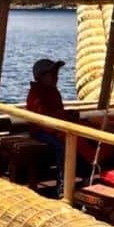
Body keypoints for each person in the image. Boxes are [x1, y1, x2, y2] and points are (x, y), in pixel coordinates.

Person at [26, 59, 104, 197]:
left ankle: (87, 171)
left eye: (56, 73)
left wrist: (69, 115)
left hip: (56, 128)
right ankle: (63, 185)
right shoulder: (36, 93)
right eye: (52, 74)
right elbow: (42, 118)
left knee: (85, 135)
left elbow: (57, 112)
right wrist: (62, 118)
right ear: (41, 77)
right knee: (62, 147)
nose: (56, 76)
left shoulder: (53, 91)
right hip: (41, 131)